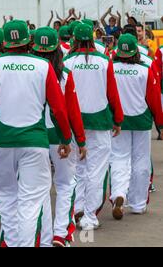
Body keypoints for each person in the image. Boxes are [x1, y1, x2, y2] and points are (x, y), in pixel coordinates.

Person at [0, 20, 72, 247]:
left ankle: (11, 242)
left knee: (8, 198)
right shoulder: (42, 65)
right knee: (31, 201)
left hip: (1, 141)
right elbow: (58, 108)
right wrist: (65, 138)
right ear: (29, 40)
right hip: (34, 141)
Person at [64, 23, 124, 231]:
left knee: (78, 168)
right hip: (99, 122)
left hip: (74, 123)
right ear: (92, 37)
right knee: (97, 170)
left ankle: (77, 208)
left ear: (74, 39)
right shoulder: (104, 60)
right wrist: (118, 118)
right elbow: (112, 93)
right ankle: (89, 215)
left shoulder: (67, 61)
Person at [31, 27, 87, 247]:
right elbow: (72, 112)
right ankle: (60, 233)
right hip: (61, 136)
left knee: (40, 188)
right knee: (65, 185)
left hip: (35, 137)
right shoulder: (65, 77)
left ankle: (44, 238)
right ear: (58, 50)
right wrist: (80, 140)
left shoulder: (30, 74)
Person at [110, 34, 163, 219]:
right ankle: (138, 204)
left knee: (118, 158)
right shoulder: (144, 70)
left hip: (118, 120)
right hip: (141, 119)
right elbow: (154, 98)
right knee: (140, 160)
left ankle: (119, 194)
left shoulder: (112, 68)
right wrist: (160, 123)